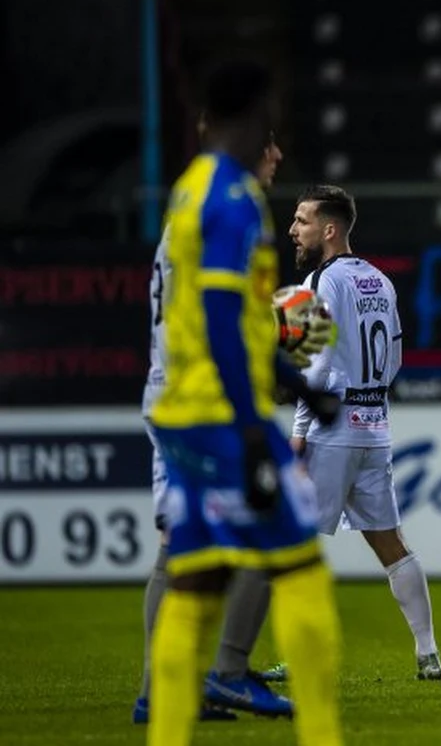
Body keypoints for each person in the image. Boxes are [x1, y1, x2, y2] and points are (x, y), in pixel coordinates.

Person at [147, 57, 344, 746]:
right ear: (251, 114)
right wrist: (259, 426)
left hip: (186, 411)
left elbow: (224, 319)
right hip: (223, 416)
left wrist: (297, 389)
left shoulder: (191, 189)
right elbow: (228, 323)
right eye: (272, 121)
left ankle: (166, 730)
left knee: (195, 584)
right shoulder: (232, 202)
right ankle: (322, 733)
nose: (277, 140)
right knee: (300, 572)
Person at [135, 124, 291, 725]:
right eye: (270, 143)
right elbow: (218, 314)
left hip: (171, 391)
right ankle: (227, 672)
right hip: (207, 399)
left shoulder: (186, 204)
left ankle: (162, 691)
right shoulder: (228, 209)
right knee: (275, 528)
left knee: (179, 548)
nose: (277, 155)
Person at [287, 184, 441, 681]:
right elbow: (394, 357)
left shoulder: (319, 281)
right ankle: (428, 654)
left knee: (291, 544)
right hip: (373, 426)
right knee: (392, 545)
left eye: (302, 221)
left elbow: (314, 363)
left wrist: (298, 432)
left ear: (329, 230)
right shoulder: (379, 279)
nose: (293, 231)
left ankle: (301, 658)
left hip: (330, 430)